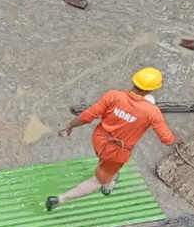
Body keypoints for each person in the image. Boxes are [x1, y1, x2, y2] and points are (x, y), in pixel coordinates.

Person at [46, 67, 174, 211]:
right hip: (116, 152)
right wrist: (179, 139)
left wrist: (69, 126)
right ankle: (61, 199)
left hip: (99, 139)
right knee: (99, 180)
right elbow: (167, 140)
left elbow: (88, 116)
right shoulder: (152, 112)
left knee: (105, 161)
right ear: (152, 90)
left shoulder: (113, 95)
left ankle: (109, 174)